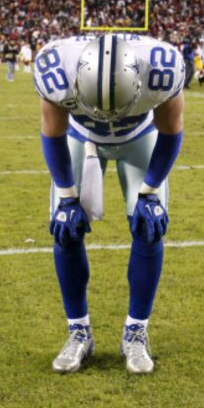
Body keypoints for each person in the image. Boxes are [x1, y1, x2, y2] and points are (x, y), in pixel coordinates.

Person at [35, 33, 185, 374]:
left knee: (150, 227)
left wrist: (149, 191)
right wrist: (67, 196)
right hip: (79, 137)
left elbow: (172, 131)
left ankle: (136, 332)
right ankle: (79, 332)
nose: (108, 116)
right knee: (65, 229)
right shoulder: (56, 67)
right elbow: (52, 133)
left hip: (139, 137)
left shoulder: (162, 67)